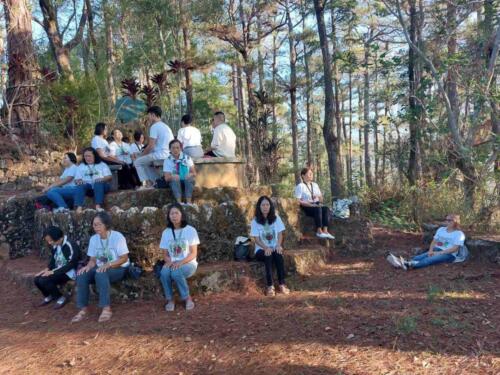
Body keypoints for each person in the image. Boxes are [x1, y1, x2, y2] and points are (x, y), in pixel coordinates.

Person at [71, 212, 130, 323]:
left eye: (99, 224)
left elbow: (124, 258)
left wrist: (108, 264)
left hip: (118, 267)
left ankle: (106, 308)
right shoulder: (94, 239)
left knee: (100, 273)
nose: (96, 227)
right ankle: (83, 309)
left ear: (106, 224)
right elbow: (93, 260)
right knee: (82, 274)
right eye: (94, 225)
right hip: (100, 268)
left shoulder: (117, 237)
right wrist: (87, 267)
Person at [387, 214, 468, 270]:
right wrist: (430, 250)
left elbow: (455, 249)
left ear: (455, 222)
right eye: (446, 220)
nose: (447, 222)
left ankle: (409, 265)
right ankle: (402, 262)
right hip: (437, 249)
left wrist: (440, 253)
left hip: (449, 255)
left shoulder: (459, 234)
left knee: (429, 259)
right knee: (419, 257)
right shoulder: (441, 229)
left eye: (449, 220)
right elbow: (434, 241)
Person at [159, 203, 199, 311]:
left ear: (182, 215)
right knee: (164, 272)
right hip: (172, 263)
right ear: (168, 216)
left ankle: (187, 298)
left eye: (176, 213)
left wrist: (180, 263)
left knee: (176, 272)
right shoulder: (166, 232)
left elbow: (193, 253)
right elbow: (165, 254)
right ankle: (170, 299)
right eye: (171, 213)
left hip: (188, 263)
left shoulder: (190, 230)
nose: (174, 216)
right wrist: (169, 261)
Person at [250, 196, 291, 296]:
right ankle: (270, 286)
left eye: (267, 204)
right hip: (261, 249)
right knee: (268, 255)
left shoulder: (276, 218)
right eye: (263, 205)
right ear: (259, 207)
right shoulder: (255, 221)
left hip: (274, 247)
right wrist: (265, 248)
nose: (265, 207)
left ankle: (282, 284)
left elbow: (280, 234)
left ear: (270, 206)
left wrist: (278, 245)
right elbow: (256, 239)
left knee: (278, 254)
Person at [34, 226, 79, 309]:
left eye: (51, 240)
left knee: (44, 280)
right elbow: (53, 260)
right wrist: (47, 269)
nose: (49, 243)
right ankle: (49, 295)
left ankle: (60, 297)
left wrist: (53, 272)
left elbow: (71, 264)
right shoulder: (56, 245)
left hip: (68, 272)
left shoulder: (70, 245)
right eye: (48, 241)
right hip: (58, 270)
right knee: (37, 278)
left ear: (59, 238)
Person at [134, 106, 174, 189]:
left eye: (148, 115)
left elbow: (151, 146)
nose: (148, 117)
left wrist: (141, 155)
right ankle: (155, 182)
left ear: (153, 115)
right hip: (168, 154)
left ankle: (146, 184)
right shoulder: (166, 127)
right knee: (146, 162)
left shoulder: (154, 127)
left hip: (160, 154)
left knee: (137, 162)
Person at [294, 167, 335, 239]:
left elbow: (321, 199)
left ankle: (325, 231)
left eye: (312, 174)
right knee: (318, 208)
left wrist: (317, 196)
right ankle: (319, 231)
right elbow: (297, 200)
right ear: (303, 176)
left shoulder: (315, 185)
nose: (311, 175)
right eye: (309, 174)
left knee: (326, 209)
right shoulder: (300, 186)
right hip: (306, 206)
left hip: (316, 204)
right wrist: (309, 204)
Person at [73, 147, 112, 213]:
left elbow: (109, 176)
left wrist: (102, 179)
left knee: (98, 183)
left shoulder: (102, 164)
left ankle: (98, 206)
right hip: (88, 187)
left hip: (101, 186)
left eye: (89, 156)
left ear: (95, 156)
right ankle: (79, 208)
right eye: (85, 156)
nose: (87, 158)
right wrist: (79, 181)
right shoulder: (81, 166)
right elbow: (76, 180)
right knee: (80, 186)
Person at [163, 139, 196, 205]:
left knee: (190, 179)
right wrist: (172, 176)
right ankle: (179, 203)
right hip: (175, 182)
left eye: (177, 148)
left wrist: (190, 174)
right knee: (175, 179)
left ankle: (189, 203)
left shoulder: (187, 158)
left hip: (186, 181)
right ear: (170, 149)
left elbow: (194, 173)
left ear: (181, 148)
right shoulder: (167, 160)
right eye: (173, 148)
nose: (175, 150)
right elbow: (166, 178)